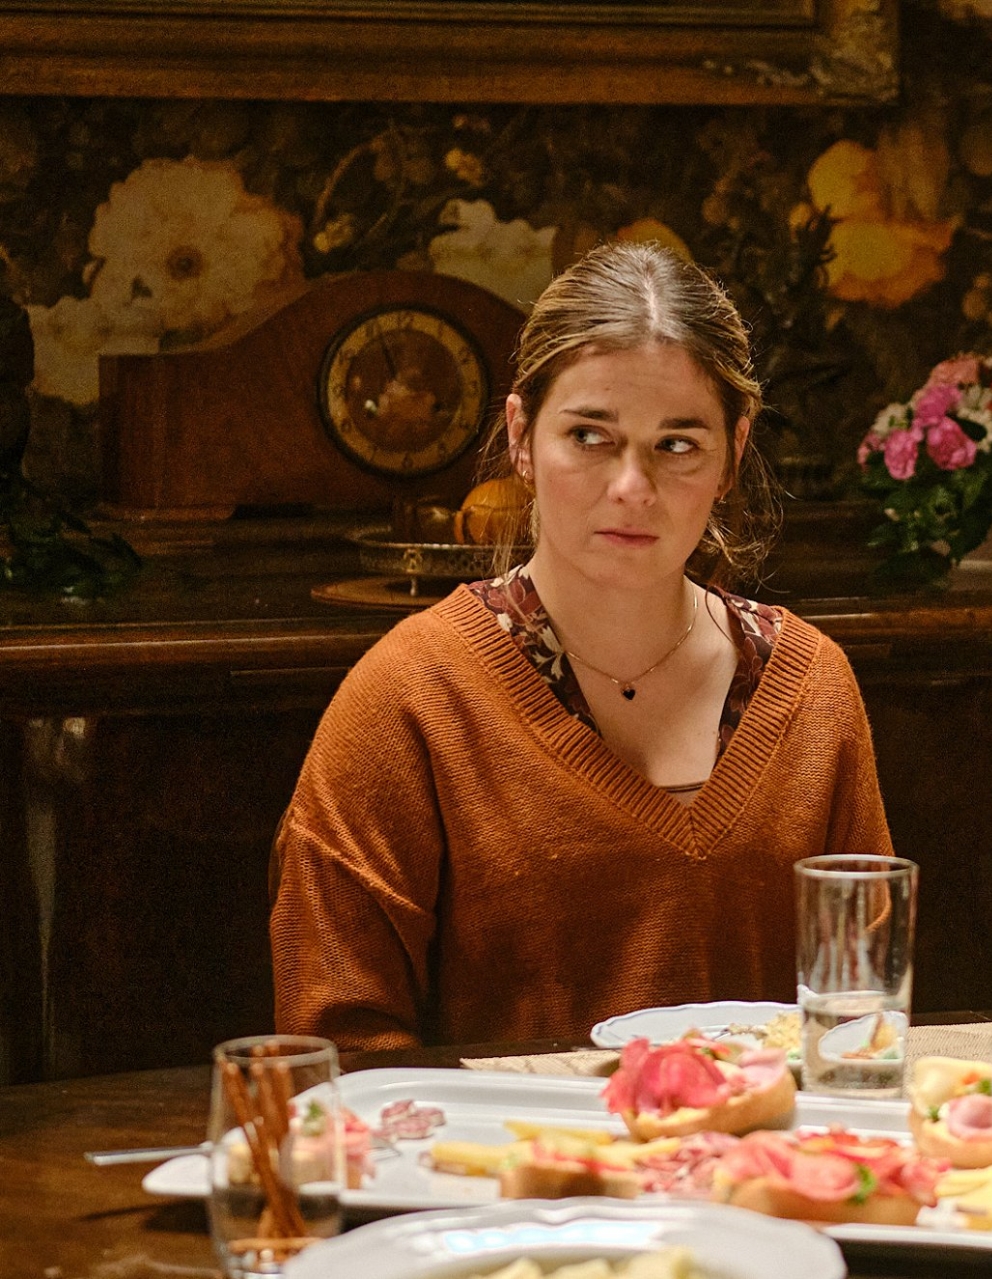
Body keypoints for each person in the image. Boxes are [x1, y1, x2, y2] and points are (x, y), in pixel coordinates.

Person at [273, 242, 893, 1050]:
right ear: (522, 438)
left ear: (734, 455)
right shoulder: (407, 695)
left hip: (766, 1134)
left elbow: (859, 1020)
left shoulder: (810, 685)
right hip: (497, 1139)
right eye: (591, 436)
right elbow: (338, 1044)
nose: (632, 487)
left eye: (678, 444)